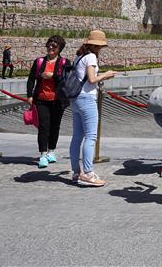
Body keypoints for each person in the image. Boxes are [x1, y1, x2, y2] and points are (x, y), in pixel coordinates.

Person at [69, 30, 117, 187]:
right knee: (91, 136)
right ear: (97, 46)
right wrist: (106, 75)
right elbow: (91, 79)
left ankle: (77, 172)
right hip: (87, 99)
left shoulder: (79, 56)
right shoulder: (91, 57)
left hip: (75, 99)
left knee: (77, 137)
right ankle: (89, 173)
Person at [25, 35, 70, 168]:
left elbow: (67, 79)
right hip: (41, 99)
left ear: (59, 49)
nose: (50, 47)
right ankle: (43, 154)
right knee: (44, 127)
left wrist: (53, 76)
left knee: (55, 126)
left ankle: (51, 151)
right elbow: (31, 79)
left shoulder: (64, 62)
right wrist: (29, 95)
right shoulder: (39, 61)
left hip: (58, 100)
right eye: (49, 44)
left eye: (54, 46)